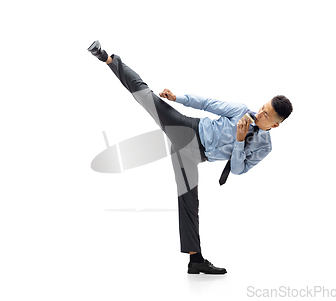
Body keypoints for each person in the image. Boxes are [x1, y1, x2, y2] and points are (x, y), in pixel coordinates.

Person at [88, 40, 293, 274]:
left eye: (266, 115)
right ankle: (108, 59)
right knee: (147, 96)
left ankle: (196, 261)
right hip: (186, 128)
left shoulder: (264, 147)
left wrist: (239, 139)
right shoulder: (241, 110)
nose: (260, 113)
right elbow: (207, 104)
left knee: (189, 202)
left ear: (275, 125)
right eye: (263, 107)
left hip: (195, 156)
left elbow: (237, 170)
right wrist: (177, 98)